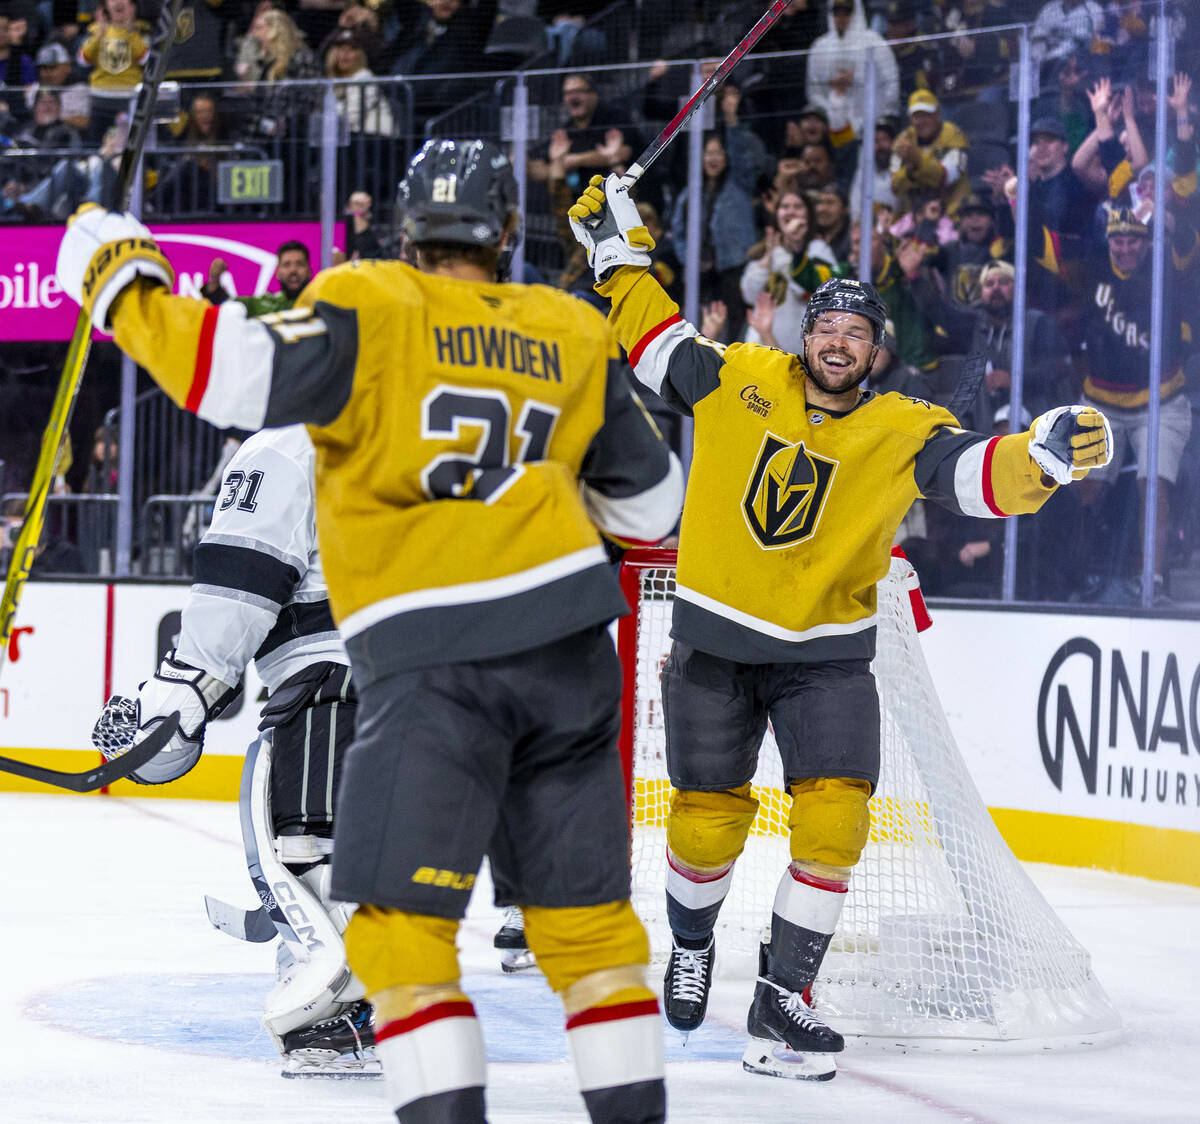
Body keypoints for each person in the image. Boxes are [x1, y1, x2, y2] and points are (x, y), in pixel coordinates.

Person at [56, 137, 683, 1124]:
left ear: (403, 231)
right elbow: (653, 509)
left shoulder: (367, 305)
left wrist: (115, 273)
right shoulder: (568, 326)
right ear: (508, 229)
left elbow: (222, 369)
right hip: (571, 662)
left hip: (432, 670)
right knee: (591, 929)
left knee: (398, 934)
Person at [566, 171, 1111, 1081]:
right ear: (803, 334)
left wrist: (1040, 458)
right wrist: (619, 258)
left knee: (834, 826)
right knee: (704, 824)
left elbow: (974, 474)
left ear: (876, 352)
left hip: (826, 660)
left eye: (858, 333)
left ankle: (784, 991)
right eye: (827, 327)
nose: (840, 343)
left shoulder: (904, 427)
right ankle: (692, 943)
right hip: (714, 643)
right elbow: (657, 347)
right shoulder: (739, 375)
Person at [92, 425, 377, 1076]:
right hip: (478, 679)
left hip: (344, 674)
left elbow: (240, 583)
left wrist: (183, 690)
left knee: (312, 836)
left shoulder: (286, 444)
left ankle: (337, 1011)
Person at [201, 240, 313, 314]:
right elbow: (225, 305)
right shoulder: (264, 303)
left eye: (299, 264)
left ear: (309, 271)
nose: (293, 270)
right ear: (277, 273)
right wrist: (214, 279)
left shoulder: (320, 304)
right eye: (286, 265)